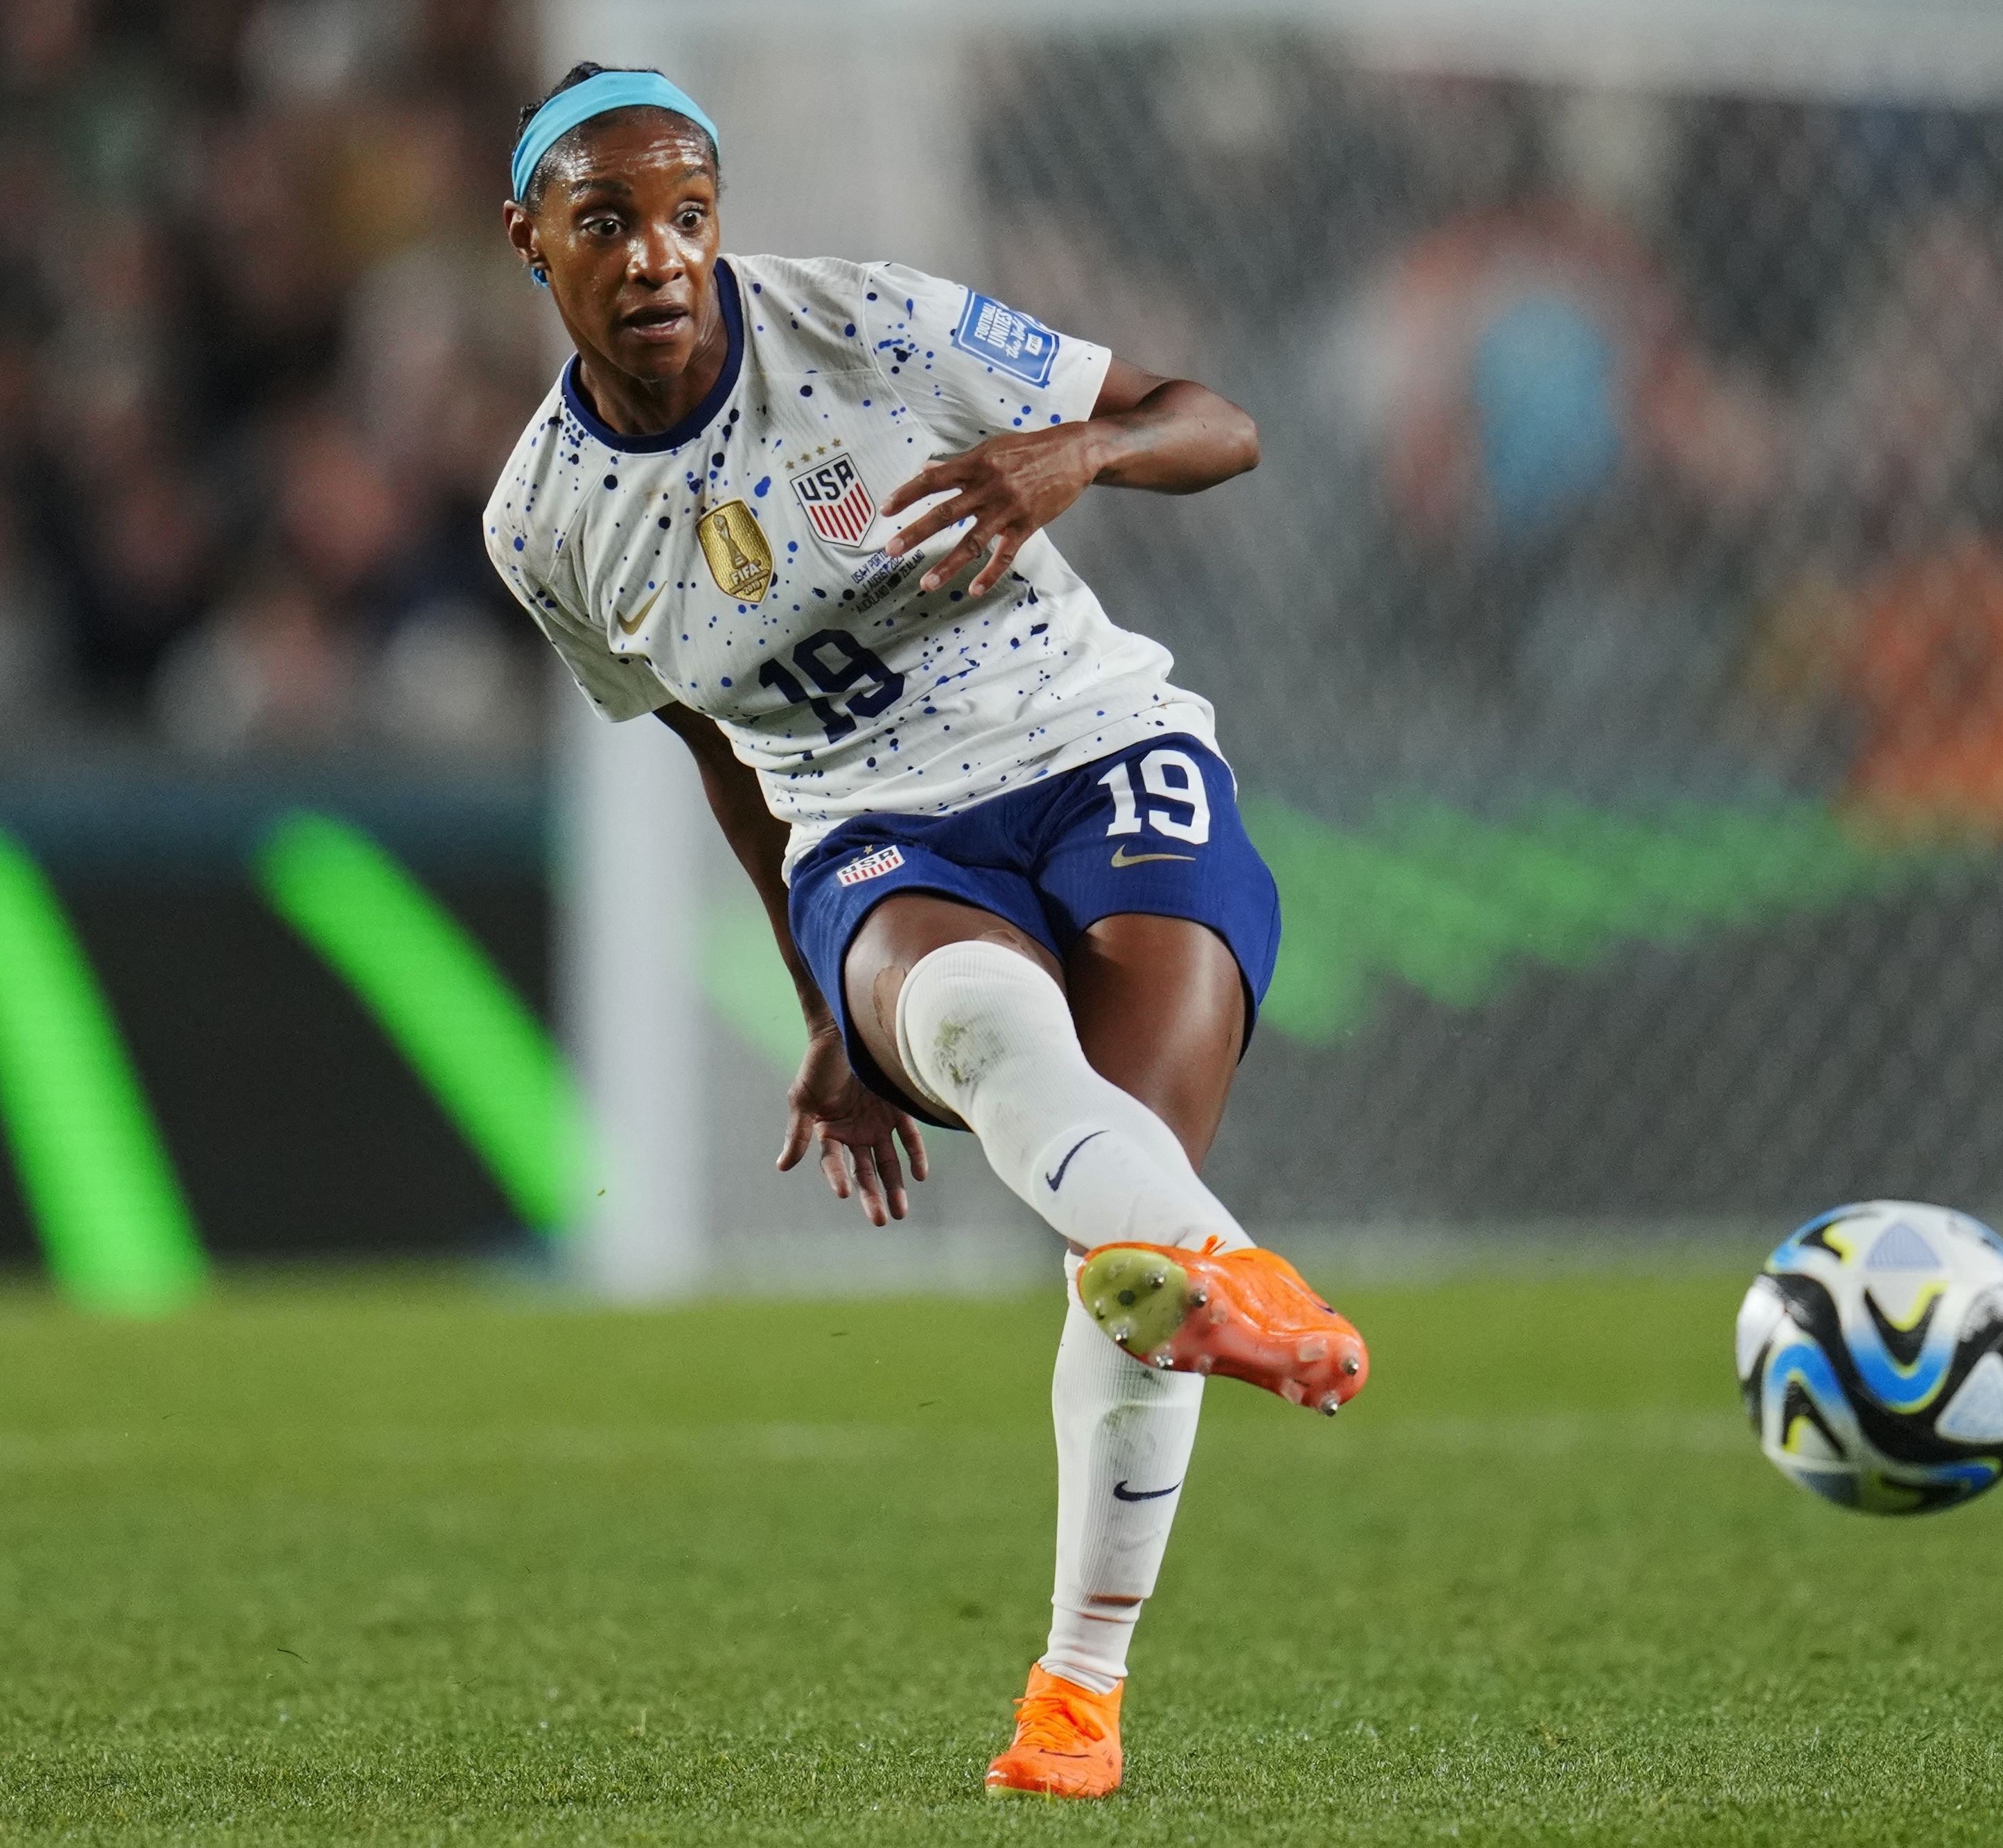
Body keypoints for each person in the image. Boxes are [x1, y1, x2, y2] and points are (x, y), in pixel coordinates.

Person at [482, 64, 1368, 1800]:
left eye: (684, 215)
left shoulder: (874, 325)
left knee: (1124, 1214)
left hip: (1102, 753)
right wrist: (825, 992)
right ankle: (1227, 1287)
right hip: (877, 827)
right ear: (530, 242)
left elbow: (1221, 419)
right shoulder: (544, 523)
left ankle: (1076, 1695)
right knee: (986, 1037)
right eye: (607, 225)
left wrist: (1082, 452)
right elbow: (708, 740)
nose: (656, 257)